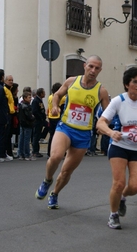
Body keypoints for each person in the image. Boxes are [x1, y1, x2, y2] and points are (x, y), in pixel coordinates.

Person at [34, 55, 110, 209]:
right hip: (66, 127)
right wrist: (55, 106)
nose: (93, 70)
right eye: (91, 66)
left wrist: (103, 124)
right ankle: (47, 180)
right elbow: (57, 95)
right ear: (85, 66)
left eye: (97, 68)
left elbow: (107, 113)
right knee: (55, 156)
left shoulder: (101, 91)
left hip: (83, 134)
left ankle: (54, 193)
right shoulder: (71, 82)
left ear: (100, 70)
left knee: (66, 171)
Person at [96, 67, 137, 229]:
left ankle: (123, 196)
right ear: (126, 84)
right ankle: (113, 214)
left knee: (136, 186)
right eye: (135, 82)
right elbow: (101, 123)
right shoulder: (119, 101)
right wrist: (111, 133)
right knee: (118, 183)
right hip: (120, 145)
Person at [47, 82, 65, 158]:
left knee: (51, 136)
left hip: (51, 117)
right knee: (60, 136)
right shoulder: (62, 98)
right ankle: (60, 152)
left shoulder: (50, 97)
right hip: (58, 117)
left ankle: (49, 152)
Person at [18, 91, 36, 161]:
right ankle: (27, 154)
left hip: (22, 124)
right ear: (25, 98)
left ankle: (21, 154)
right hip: (28, 124)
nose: (30, 99)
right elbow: (29, 116)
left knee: (22, 139)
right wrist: (33, 118)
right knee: (26, 139)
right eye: (29, 97)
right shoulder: (27, 107)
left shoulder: (21, 105)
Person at [2, 75, 15, 161]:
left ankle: (8, 152)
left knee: (8, 135)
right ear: (5, 81)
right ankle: (4, 152)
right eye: (9, 80)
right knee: (5, 135)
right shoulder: (5, 89)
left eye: (12, 80)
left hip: (11, 114)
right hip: (7, 114)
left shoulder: (10, 90)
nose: (11, 82)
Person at [31, 87, 46, 158]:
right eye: (44, 92)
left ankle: (42, 137)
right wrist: (40, 117)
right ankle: (35, 151)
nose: (45, 94)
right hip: (37, 121)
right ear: (41, 93)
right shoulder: (36, 101)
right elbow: (35, 111)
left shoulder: (40, 100)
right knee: (36, 136)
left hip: (41, 120)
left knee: (47, 126)